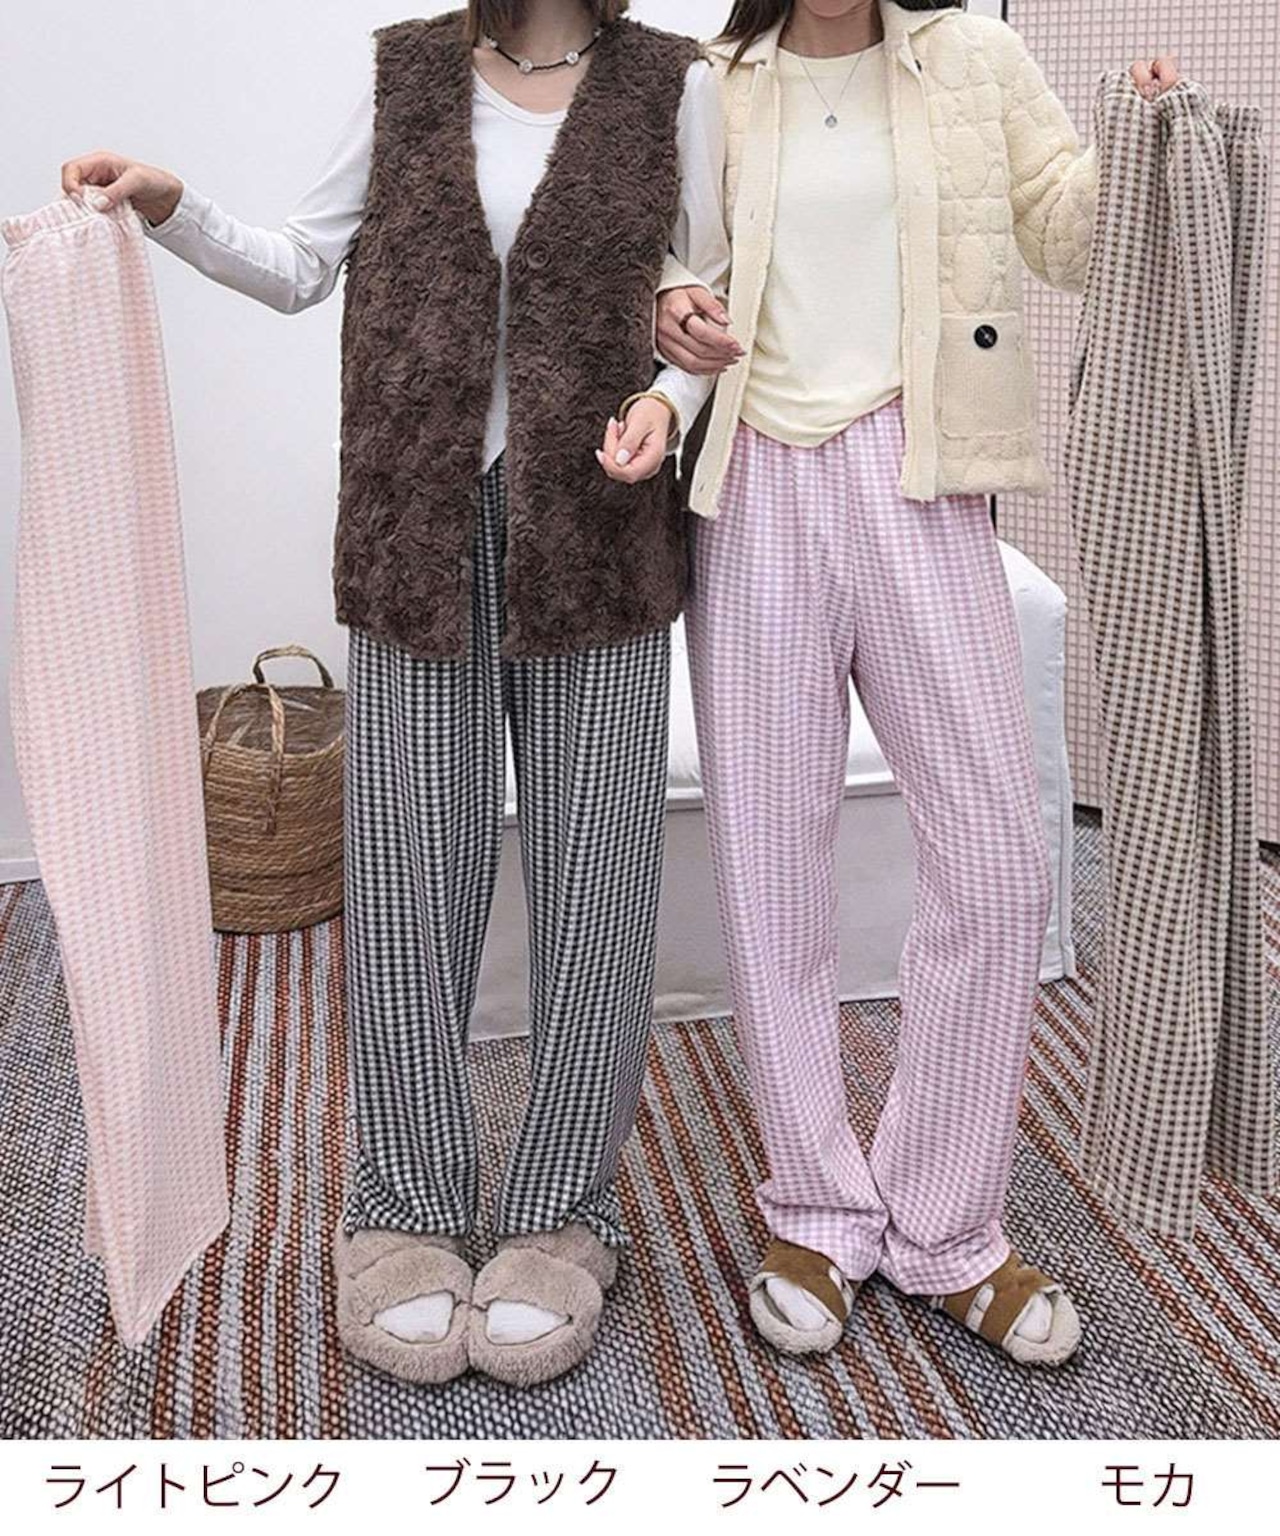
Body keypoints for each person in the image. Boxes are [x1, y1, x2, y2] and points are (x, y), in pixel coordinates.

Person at [64, 0, 728, 1388]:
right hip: (414, 533)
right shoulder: (407, 70)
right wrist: (174, 206)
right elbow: (301, 264)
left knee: (598, 886)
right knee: (411, 880)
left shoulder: (677, 83)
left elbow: (712, 295)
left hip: (600, 537)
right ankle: (407, 1204)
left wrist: (669, 393)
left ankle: (564, 1211)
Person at [605, 0, 1179, 1366]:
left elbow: (1066, 232)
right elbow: (677, 269)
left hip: (922, 473)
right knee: (771, 870)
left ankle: (945, 1224)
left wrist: (1143, 137)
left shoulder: (973, 59)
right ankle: (814, 1205)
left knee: (1000, 868)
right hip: (753, 491)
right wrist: (663, 312)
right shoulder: (712, 84)